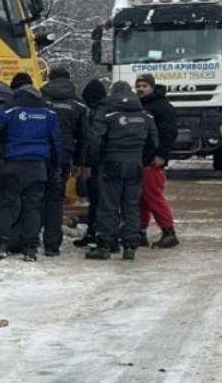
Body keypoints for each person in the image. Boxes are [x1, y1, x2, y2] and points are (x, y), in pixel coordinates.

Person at [0, 72, 61, 262]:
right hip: (38, 167)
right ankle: (30, 250)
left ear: (15, 89)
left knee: (5, 204)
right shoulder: (49, 111)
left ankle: (0, 246)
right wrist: (56, 165)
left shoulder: (8, 108)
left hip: (13, 165)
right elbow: (56, 141)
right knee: (33, 207)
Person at [85, 81, 157, 260]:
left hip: (111, 163)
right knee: (131, 206)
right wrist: (142, 159)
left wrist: (95, 161)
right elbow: (154, 142)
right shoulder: (145, 114)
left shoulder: (106, 112)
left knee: (108, 205)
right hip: (135, 164)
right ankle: (130, 246)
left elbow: (95, 140)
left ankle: (105, 245)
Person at [40, 66, 88, 256]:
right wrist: (79, 162)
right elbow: (84, 137)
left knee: (35, 196)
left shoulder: (40, 100)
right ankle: (52, 246)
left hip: (40, 154)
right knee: (55, 198)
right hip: (63, 157)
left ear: (50, 78)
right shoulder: (79, 104)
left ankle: (30, 241)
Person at [135, 73, 179, 248]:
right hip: (142, 159)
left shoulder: (163, 107)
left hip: (153, 161)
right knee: (141, 199)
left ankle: (169, 232)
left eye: (144, 86)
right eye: (138, 86)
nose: (140, 89)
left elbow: (169, 133)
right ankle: (140, 233)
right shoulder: (140, 105)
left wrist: (162, 155)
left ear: (152, 87)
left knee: (153, 197)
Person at [73, 78, 108, 248]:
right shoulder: (107, 110)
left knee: (97, 200)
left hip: (100, 164)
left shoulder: (98, 113)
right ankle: (96, 233)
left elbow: (94, 140)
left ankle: (97, 235)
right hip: (108, 162)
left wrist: (87, 163)